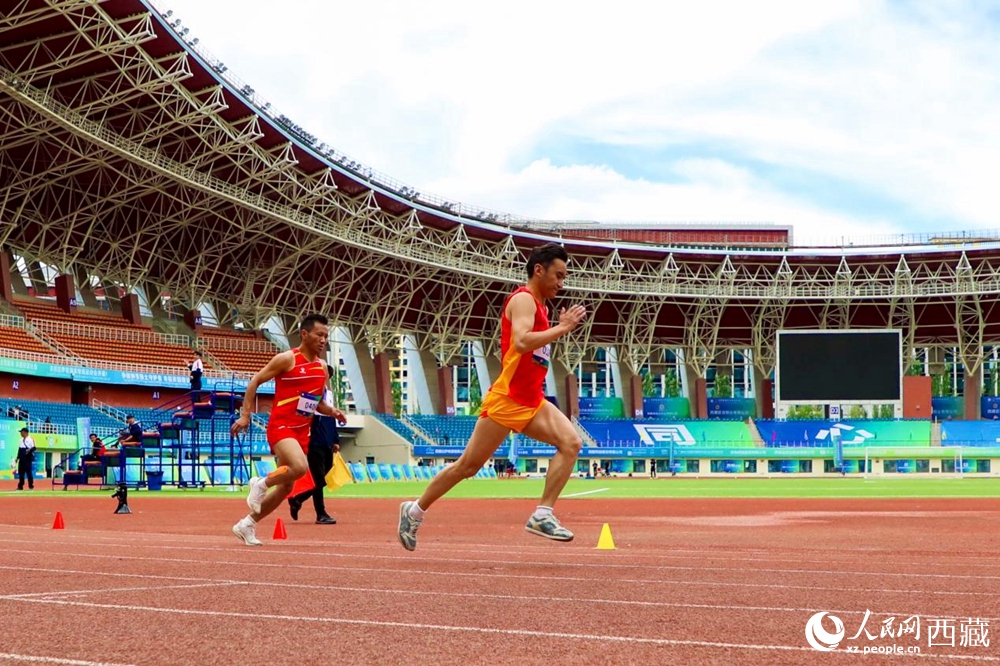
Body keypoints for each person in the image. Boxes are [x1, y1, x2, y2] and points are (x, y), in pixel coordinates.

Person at [398, 243, 586, 551]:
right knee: (468, 466)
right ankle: (415, 509)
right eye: (558, 275)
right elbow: (523, 342)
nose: (561, 284)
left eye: (564, 277)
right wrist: (562, 328)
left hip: (532, 399)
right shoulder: (524, 300)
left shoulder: (542, 307)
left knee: (571, 443)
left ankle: (542, 514)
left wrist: (556, 327)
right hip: (509, 399)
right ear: (538, 270)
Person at [230, 314, 347, 546]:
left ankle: (247, 524)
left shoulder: (322, 368)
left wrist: (332, 411)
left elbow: (315, 402)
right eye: (319, 335)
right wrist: (245, 415)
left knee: (286, 487)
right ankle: (260, 483)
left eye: (326, 336)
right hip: (281, 427)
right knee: (300, 467)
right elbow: (254, 381)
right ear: (304, 334)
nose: (324, 340)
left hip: (302, 432)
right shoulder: (287, 359)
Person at [288, 407, 341, 525]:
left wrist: (335, 439)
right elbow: (301, 417)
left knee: (322, 479)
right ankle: (321, 513)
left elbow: (332, 418)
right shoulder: (312, 394)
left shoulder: (329, 397)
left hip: (328, 444)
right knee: (318, 479)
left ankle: (297, 499)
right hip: (314, 444)